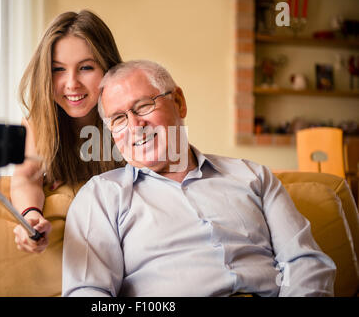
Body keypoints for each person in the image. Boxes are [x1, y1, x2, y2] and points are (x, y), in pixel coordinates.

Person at [62, 60, 336, 296]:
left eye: (144, 106)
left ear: (178, 102)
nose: (135, 126)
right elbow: (88, 293)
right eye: (119, 119)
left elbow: (305, 262)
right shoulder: (101, 196)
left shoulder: (253, 176)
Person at [11, 10, 124, 253]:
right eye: (58, 69)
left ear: (108, 68)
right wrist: (30, 216)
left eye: (85, 67)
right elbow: (26, 177)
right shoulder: (38, 123)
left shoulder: (130, 116)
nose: (72, 83)